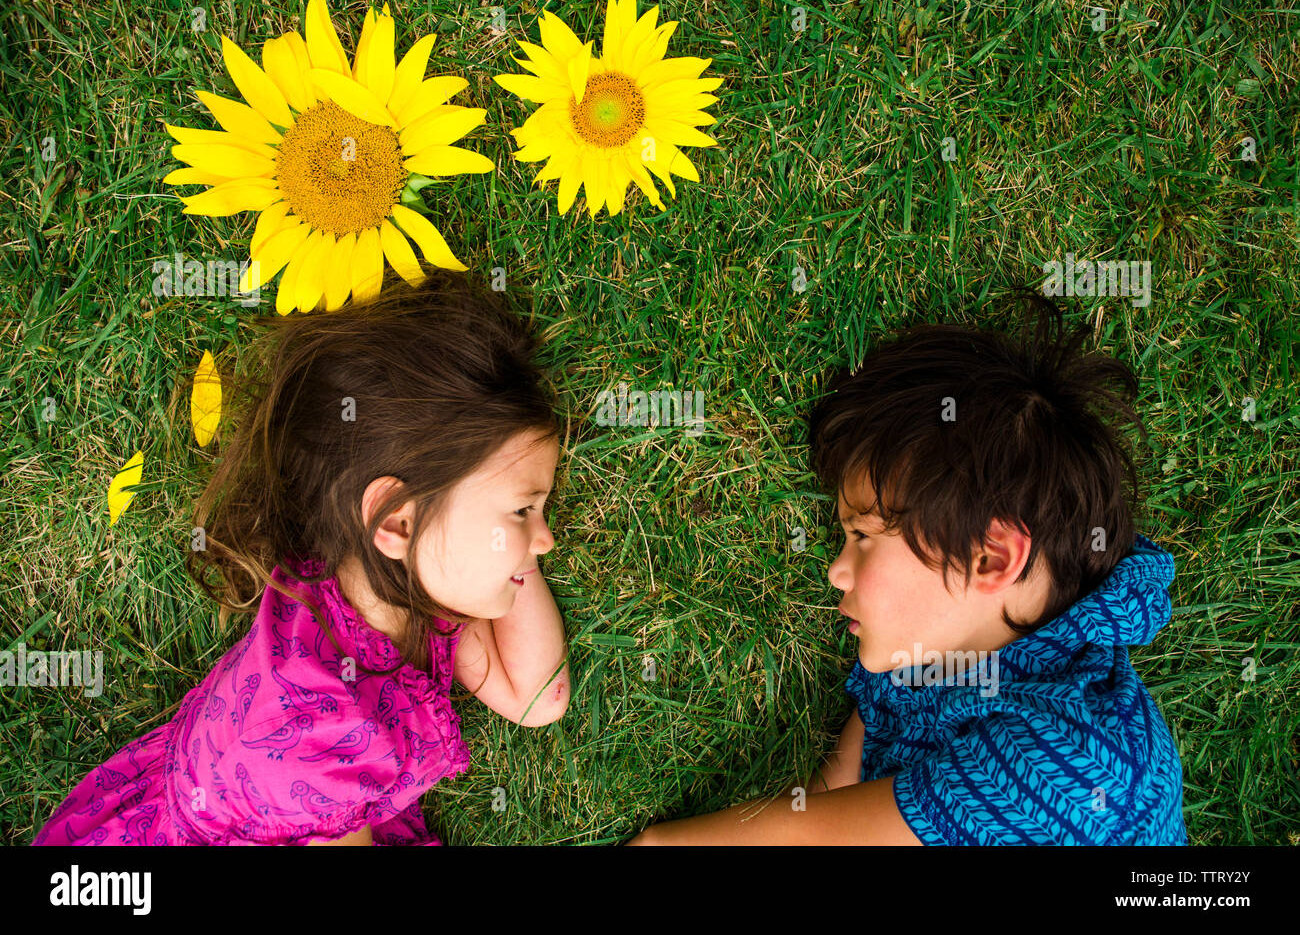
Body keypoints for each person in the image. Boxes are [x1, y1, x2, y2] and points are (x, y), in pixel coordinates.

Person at [33, 270, 569, 845]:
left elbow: (535, 695)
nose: (548, 539)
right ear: (397, 521)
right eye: (522, 510)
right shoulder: (323, 735)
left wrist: (512, 545)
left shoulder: (392, 574)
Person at [629, 293, 1188, 845]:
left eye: (862, 538)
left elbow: (812, 835)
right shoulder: (933, 644)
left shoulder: (1080, 763)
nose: (836, 572)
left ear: (989, 558)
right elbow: (831, 796)